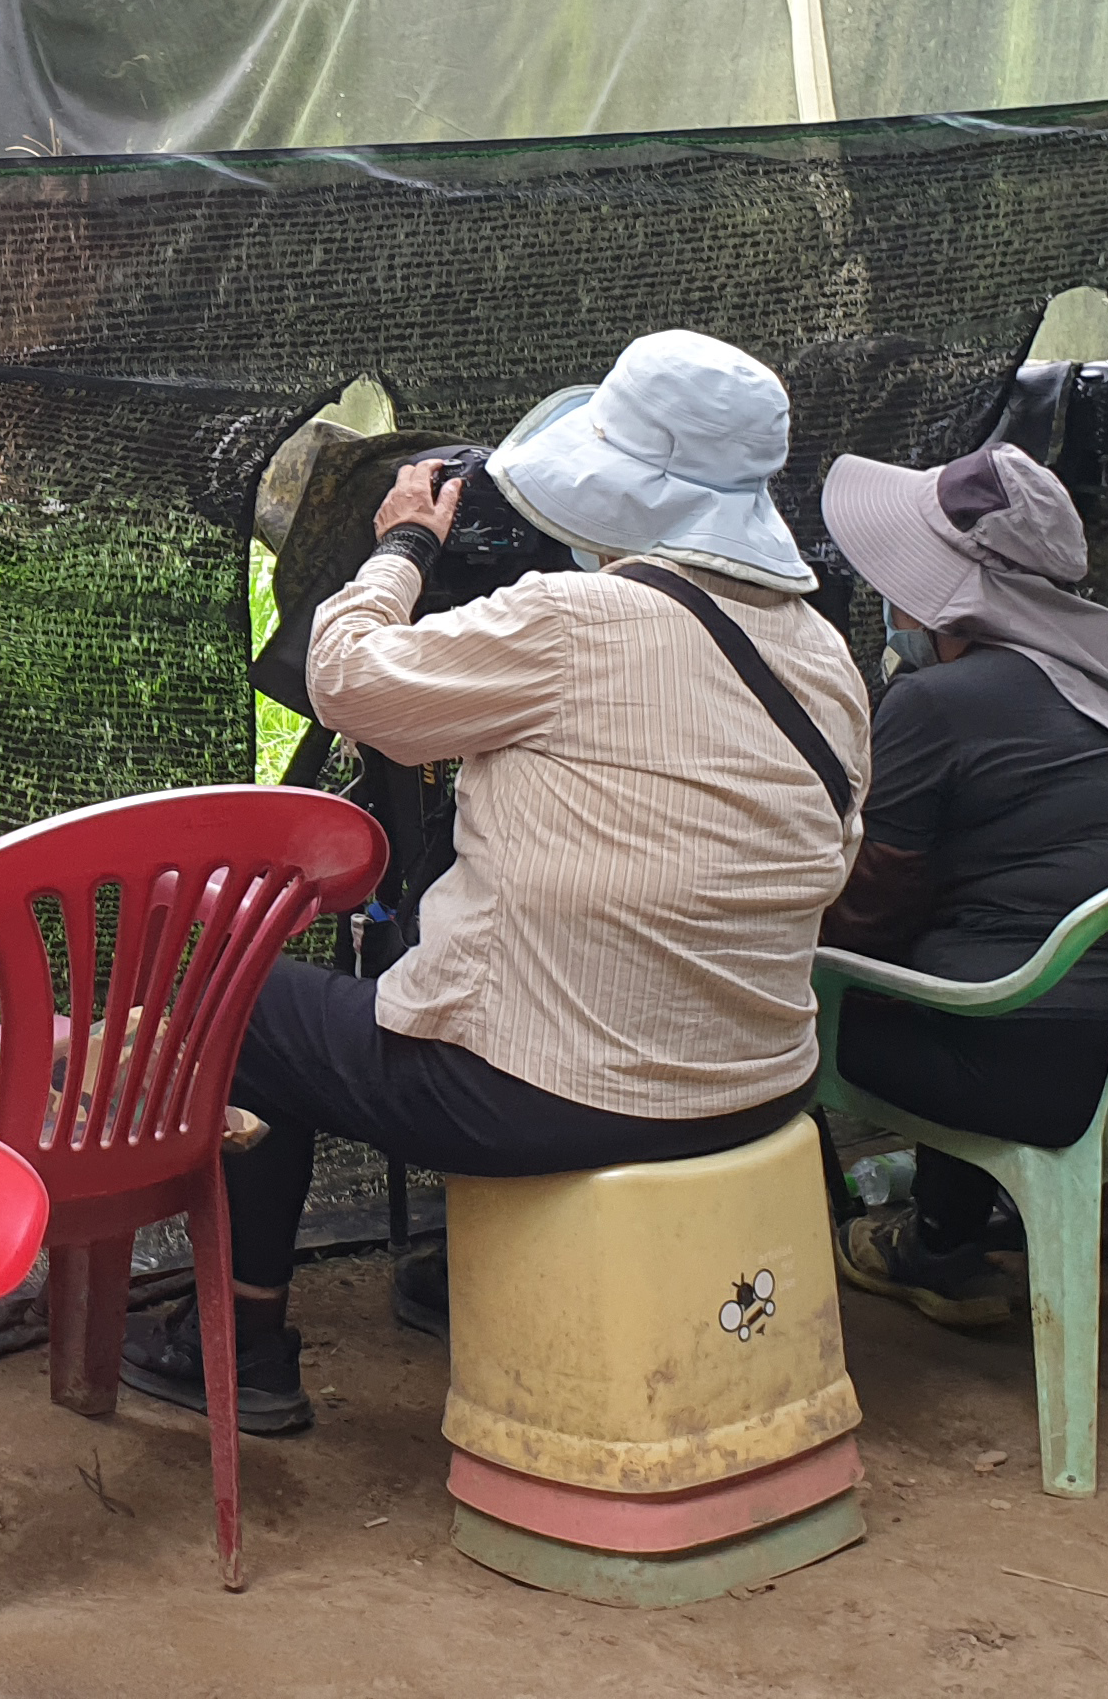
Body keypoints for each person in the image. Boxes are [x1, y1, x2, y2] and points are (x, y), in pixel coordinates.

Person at [119, 330, 868, 1434]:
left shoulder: (572, 624)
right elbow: (830, 857)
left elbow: (347, 677)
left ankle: (242, 1341)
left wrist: (404, 547)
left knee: (254, 1003)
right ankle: (471, 1278)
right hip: (759, 1091)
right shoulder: (821, 655)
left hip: (553, 1105)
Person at [813, 442, 1108, 1327]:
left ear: (947, 592)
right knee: (987, 959)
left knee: (817, 996)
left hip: (1044, 1070)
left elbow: (869, 913)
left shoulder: (934, 703)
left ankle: (918, 1246)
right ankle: (963, 1222)